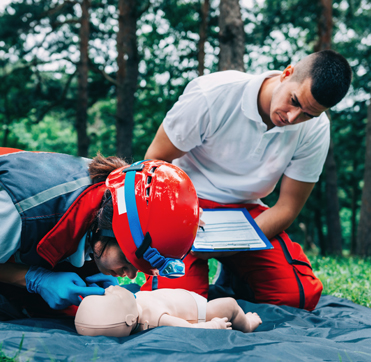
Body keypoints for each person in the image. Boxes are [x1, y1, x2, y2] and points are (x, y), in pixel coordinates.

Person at [143, 50, 352, 311]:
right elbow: (154, 161)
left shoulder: (317, 128)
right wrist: (175, 224)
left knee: (296, 297)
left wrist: (232, 244)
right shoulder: (213, 93)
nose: (292, 118)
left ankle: (234, 274)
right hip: (187, 205)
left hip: (248, 214)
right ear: (287, 73)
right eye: (295, 101)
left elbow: (287, 207)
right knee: (177, 305)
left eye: (308, 114)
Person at [0, 148, 199, 319]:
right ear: (107, 228)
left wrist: (90, 270)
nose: (129, 276)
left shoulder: (108, 194)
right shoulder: (18, 212)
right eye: (127, 260)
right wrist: (34, 279)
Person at [75, 285, 262, 337]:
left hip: (180, 298)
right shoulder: (158, 319)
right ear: (129, 319)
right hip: (198, 311)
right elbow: (187, 329)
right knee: (229, 304)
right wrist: (213, 325)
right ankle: (247, 324)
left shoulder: (132, 307)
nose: (111, 291)